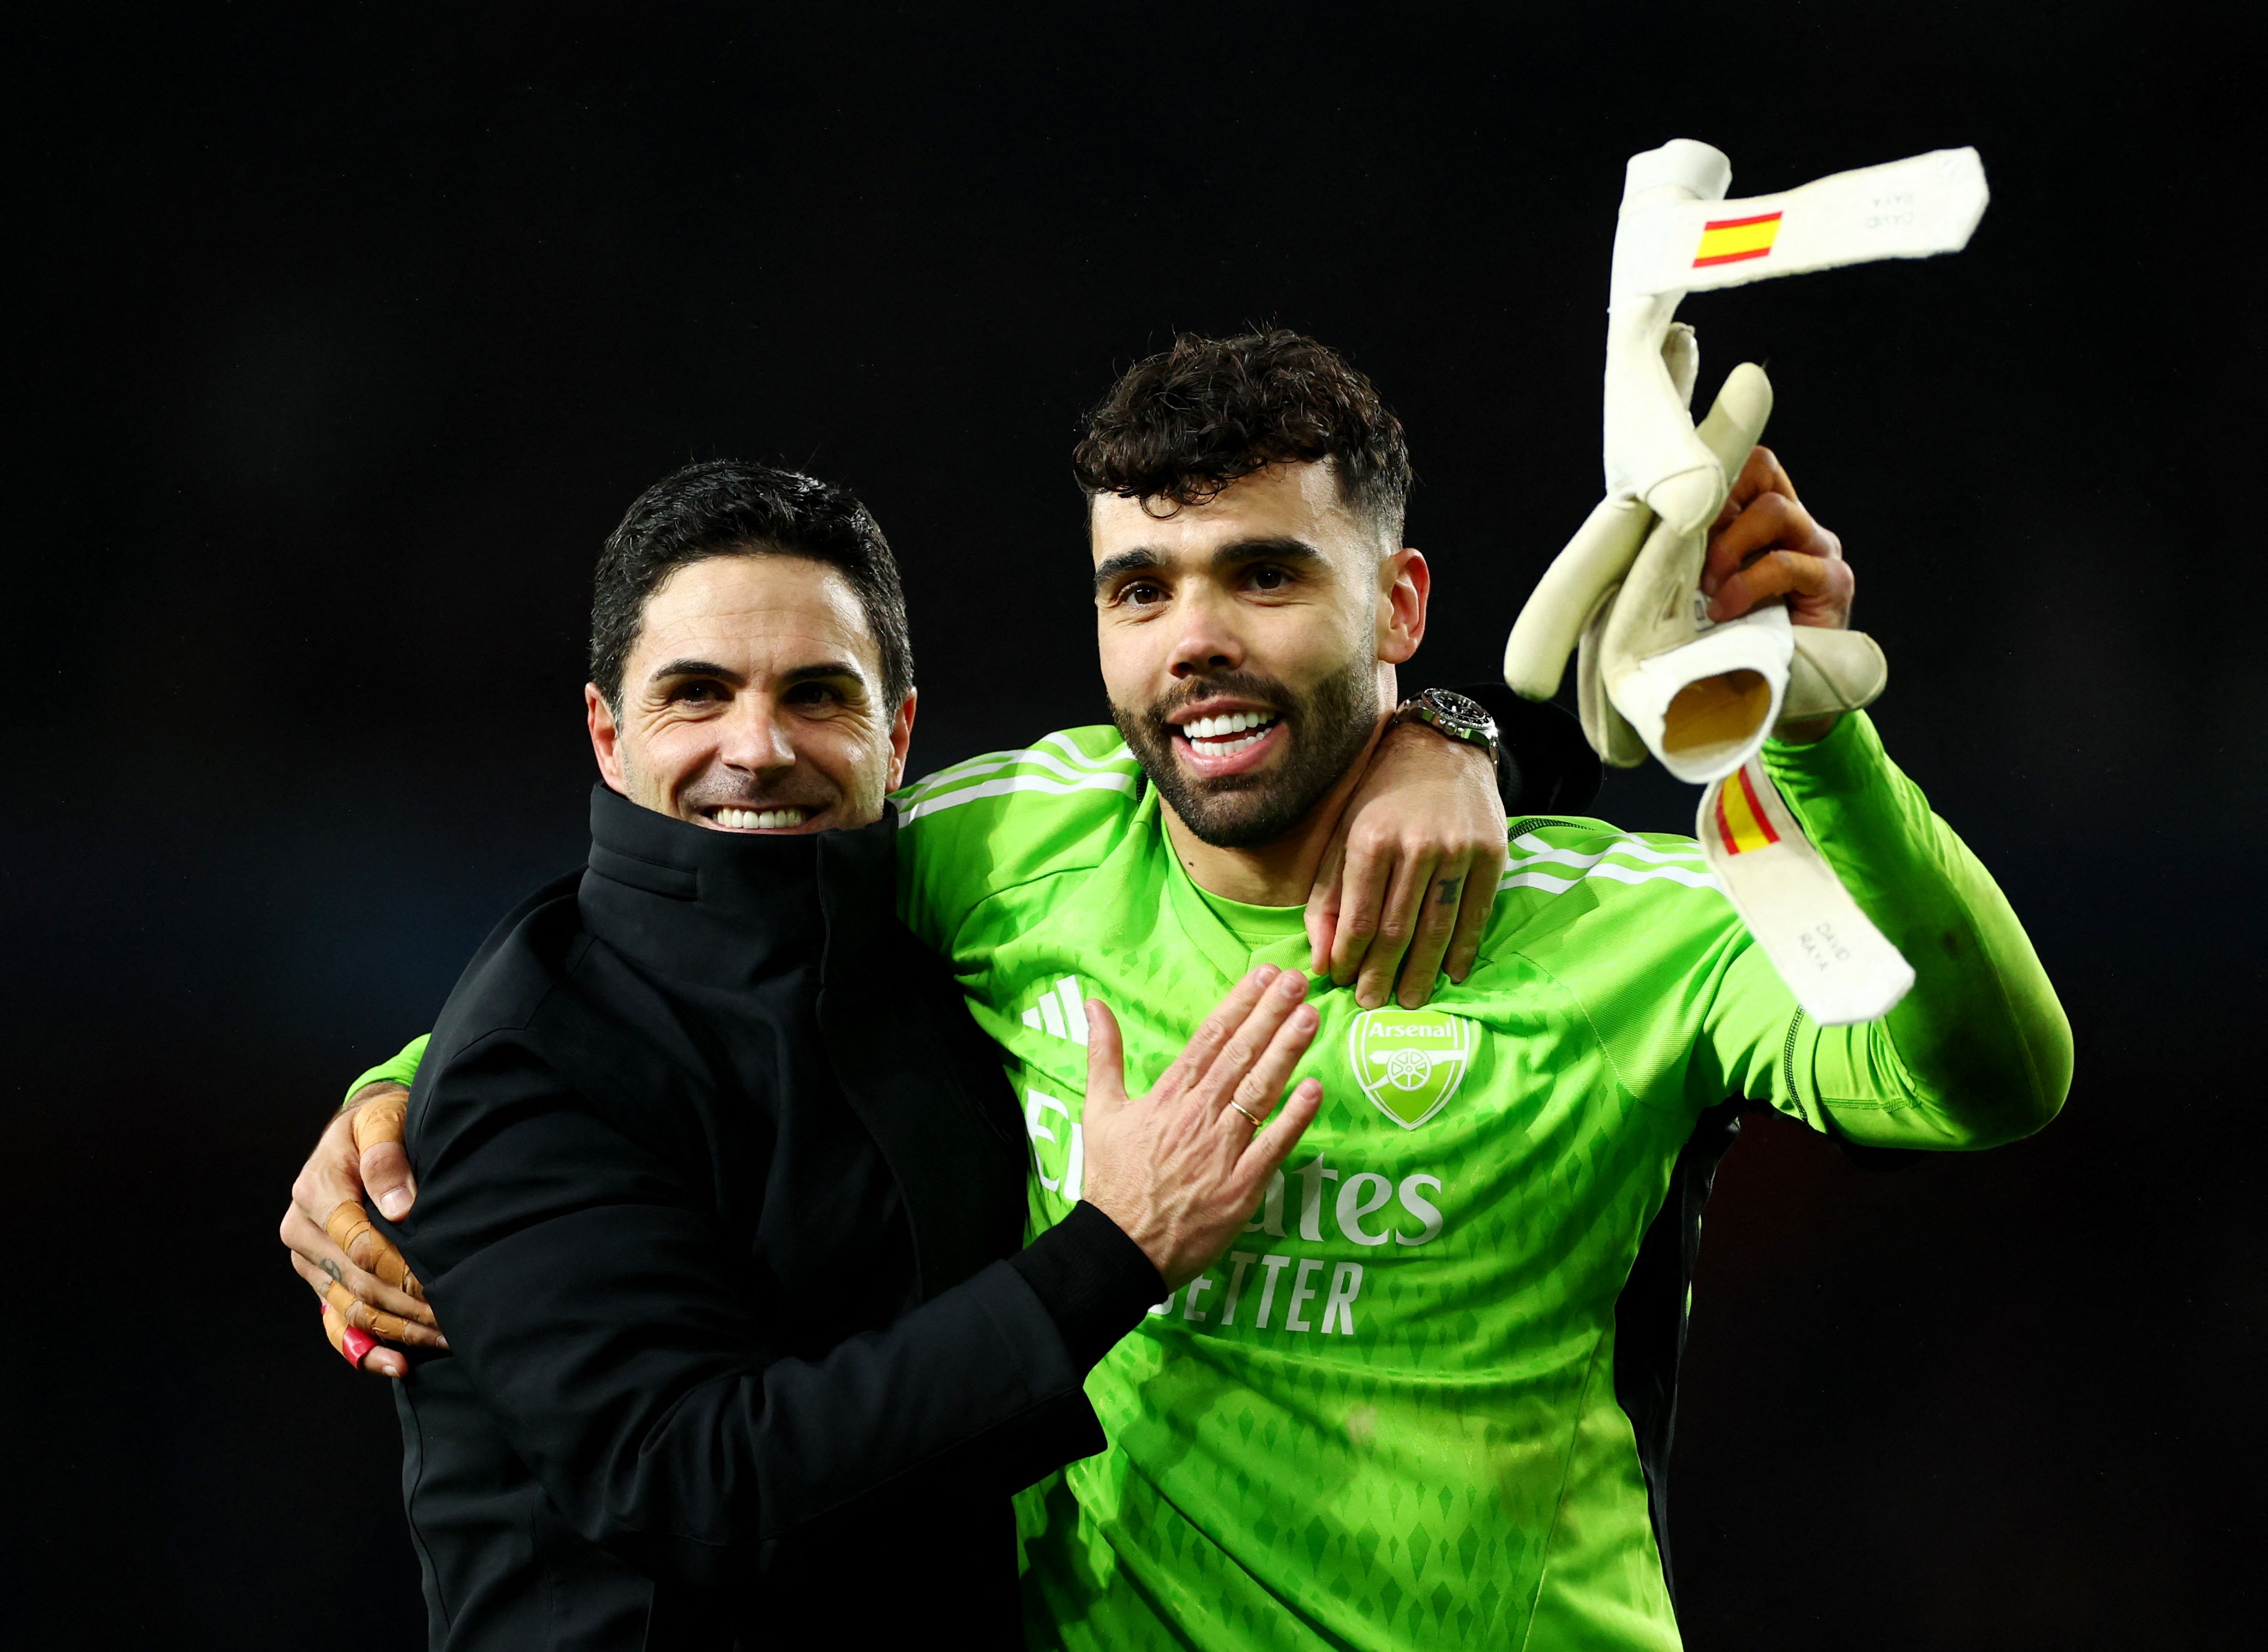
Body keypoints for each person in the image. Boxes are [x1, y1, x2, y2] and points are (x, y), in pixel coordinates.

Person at [303, 329, 2071, 1650]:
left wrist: (1816, 744)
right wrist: (406, 1092)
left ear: (1399, 603)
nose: (1191, 637)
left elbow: (1994, 1078)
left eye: (1262, 576)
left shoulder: (1639, 925)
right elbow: (695, 936)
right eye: (1137, 586)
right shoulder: (1010, 848)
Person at [338, 462, 1344, 1647]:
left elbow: (1262, 761)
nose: (757, 748)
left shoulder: (936, 940)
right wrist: (1111, 1257)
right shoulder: (529, 1065)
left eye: (818, 695)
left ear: (899, 734)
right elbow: (693, 1484)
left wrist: (1463, 741)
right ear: (608, 735)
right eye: (697, 695)